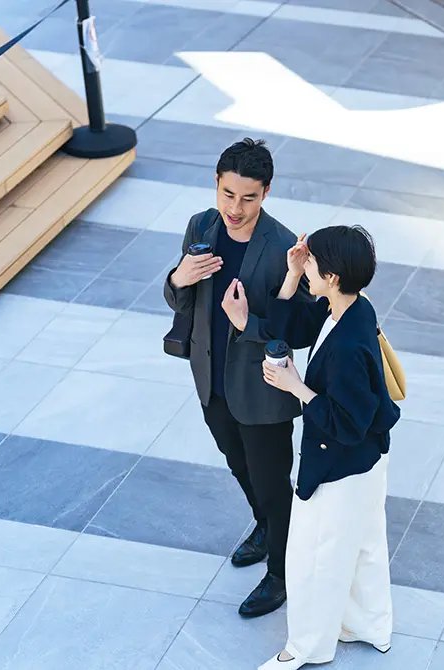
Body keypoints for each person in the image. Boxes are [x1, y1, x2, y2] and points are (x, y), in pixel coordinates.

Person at [163, 138, 310, 618]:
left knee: (272, 483)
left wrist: (250, 325)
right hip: (211, 382)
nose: (235, 208)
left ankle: (282, 576)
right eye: (228, 194)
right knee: (238, 465)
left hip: (263, 391)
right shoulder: (200, 225)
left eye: (248, 197)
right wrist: (178, 279)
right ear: (217, 184)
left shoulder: (283, 248)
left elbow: (301, 330)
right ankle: (265, 529)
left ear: (266, 192)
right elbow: (180, 300)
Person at [258, 225, 400, 669]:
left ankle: (304, 649)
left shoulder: (347, 345)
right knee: (362, 547)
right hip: (365, 464)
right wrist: (293, 271)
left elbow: (346, 422)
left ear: (334, 276)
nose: (308, 270)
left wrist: (296, 386)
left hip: (340, 469)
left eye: (314, 264)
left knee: (313, 559)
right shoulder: (350, 309)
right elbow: (293, 325)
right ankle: (368, 626)